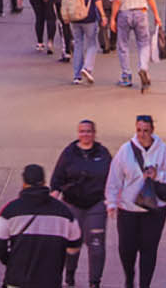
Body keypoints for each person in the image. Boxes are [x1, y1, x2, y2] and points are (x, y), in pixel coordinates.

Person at [103, 115, 166, 288]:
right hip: (128, 209)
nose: (142, 134)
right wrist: (112, 203)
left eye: (145, 130)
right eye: (139, 130)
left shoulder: (162, 150)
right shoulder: (125, 150)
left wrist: (158, 175)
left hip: (154, 210)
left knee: (149, 251)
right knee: (126, 250)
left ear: (152, 130)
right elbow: (114, 178)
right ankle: (129, 278)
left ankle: (145, 284)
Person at [0, 162, 84, 288]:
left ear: (24, 183)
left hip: (17, 279)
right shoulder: (64, 213)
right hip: (50, 280)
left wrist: (10, 261)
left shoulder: (10, 211)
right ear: (44, 182)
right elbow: (75, 244)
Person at [51, 119, 112, 288]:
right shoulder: (69, 153)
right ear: (78, 133)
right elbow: (57, 178)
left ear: (94, 133)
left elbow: (112, 178)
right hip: (72, 205)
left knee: (96, 245)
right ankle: (70, 275)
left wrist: (113, 200)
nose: (85, 135)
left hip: (96, 204)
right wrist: (53, 196)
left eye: (89, 131)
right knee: (72, 244)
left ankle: (94, 282)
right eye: (82, 131)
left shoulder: (103, 153)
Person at [106, 0, 160, 92]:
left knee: (123, 45)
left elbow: (116, 0)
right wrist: (156, 15)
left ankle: (126, 76)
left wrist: (112, 18)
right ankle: (143, 67)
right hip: (141, 12)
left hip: (125, 13)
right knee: (143, 43)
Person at [61, 0, 104, 85]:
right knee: (92, 44)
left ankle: (76, 75)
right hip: (88, 16)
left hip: (74, 17)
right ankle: (87, 68)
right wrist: (102, 14)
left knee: (78, 44)